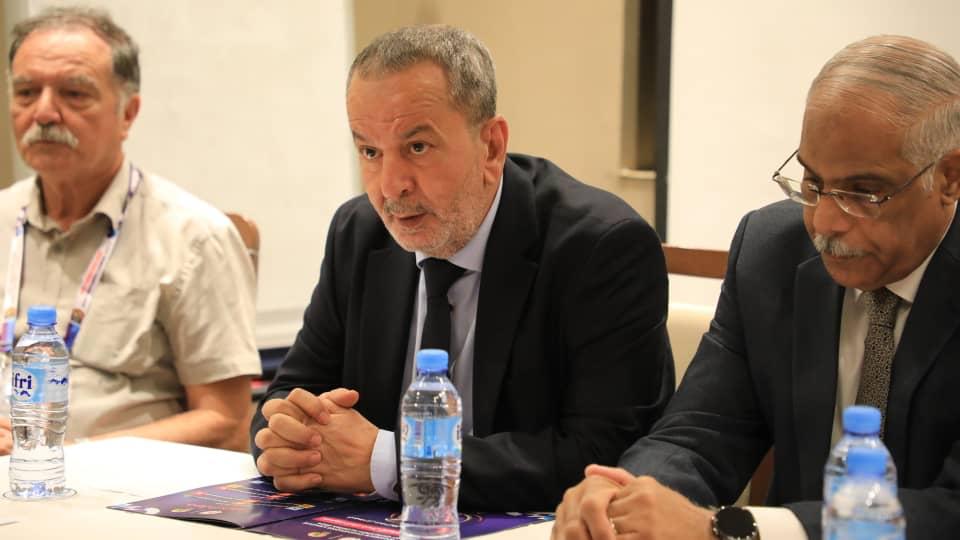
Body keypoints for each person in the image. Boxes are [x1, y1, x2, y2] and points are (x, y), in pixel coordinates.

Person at [552, 34, 960, 540]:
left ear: (949, 177)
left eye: (863, 192)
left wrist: (726, 529)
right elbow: (700, 435)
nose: (824, 223)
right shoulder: (773, 252)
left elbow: (951, 509)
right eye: (813, 183)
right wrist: (625, 494)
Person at [249, 24, 672, 511]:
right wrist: (288, 439)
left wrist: (392, 462)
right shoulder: (359, 233)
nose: (390, 186)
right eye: (370, 152)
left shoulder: (600, 248)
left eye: (417, 147)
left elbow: (604, 453)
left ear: (491, 146)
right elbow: (287, 396)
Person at [0, 7, 261, 455]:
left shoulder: (194, 237)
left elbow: (226, 422)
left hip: (115, 484)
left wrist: (72, 454)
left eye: (73, 94)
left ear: (128, 114)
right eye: (26, 92)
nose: (43, 112)